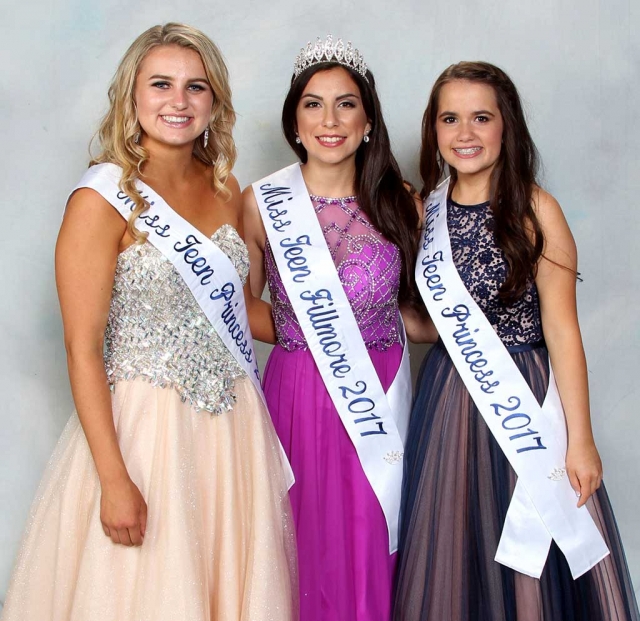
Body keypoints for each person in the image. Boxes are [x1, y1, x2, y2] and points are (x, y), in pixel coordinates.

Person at [1, 23, 297, 621]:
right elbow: (81, 350)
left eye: (196, 87)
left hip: (233, 430)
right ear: (131, 95)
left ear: (215, 102)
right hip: (144, 433)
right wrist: (114, 479)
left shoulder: (223, 188)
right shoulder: (100, 198)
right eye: (161, 84)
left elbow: (232, 309)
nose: (179, 101)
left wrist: (348, 323)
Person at [394, 61, 639, 621]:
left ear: (507, 126)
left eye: (481, 117)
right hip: (450, 403)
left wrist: (581, 441)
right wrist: (380, 315)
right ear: (433, 129)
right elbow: (434, 325)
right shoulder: (421, 212)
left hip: (527, 398)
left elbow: (562, 330)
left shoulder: (537, 211)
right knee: (456, 549)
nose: (465, 134)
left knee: (535, 552)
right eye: (450, 119)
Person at [243, 35, 420, 621]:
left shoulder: (403, 203)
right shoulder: (260, 202)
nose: (330, 119)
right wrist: (301, 332)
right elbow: (239, 308)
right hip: (295, 390)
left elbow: (420, 317)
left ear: (368, 118)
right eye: (313, 103)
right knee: (299, 534)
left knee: (373, 532)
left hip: (380, 387)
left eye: (346, 103)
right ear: (295, 118)